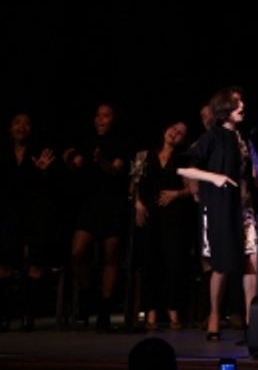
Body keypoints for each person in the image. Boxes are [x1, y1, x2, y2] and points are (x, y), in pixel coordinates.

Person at [178, 87, 258, 341]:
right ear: (225, 108)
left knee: (252, 260)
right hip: (220, 208)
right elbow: (183, 167)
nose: (242, 105)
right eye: (236, 102)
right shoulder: (212, 136)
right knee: (221, 265)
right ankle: (214, 315)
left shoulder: (243, 137)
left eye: (241, 101)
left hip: (243, 207)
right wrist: (213, 177)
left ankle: (252, 320)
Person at [64, 103, 131, 331]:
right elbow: (77, 164)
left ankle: (104, 309)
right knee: (77, 252)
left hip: (113, 203)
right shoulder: (88, 140)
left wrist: (101, 161)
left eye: (107, 116)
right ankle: (89, 292)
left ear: (113, 119)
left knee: (110, 255)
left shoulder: (120, 142)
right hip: (90, 203)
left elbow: (116, 170)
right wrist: (69, 161)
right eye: (99, 116)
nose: (102, 120)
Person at [135, 121, 196, 331]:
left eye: (181, 133)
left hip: (173, 216)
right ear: (165, 129)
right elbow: (133, 183)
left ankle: (173, 310)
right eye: (173, 128)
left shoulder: (184, 159)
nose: (175, 133)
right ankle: (150, 311)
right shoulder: (144, 155)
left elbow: (193, 189)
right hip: (150, 214)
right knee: (149, 261)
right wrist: (137, 202)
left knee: (173, 263)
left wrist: (175, 194)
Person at [0, 112, 59, 332]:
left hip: (34, 214)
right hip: (8, 215)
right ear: (10, 128)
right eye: (17, 123)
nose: (21, 127)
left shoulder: (39, 153)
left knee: (35, 263)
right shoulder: (4, 153)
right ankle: (5, 314)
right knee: (4, 264)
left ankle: (28, 315)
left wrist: (43, 172)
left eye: (26, 123)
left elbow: (48, 189)